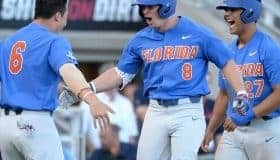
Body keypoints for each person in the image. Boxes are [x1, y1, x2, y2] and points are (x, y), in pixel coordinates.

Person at [60, 0, 248, 159]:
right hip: (156, 110)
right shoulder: (140, 39)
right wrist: (87, 88)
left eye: (149, 6)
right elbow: (120, 74)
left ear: (166, 5)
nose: (144, 11)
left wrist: (241, 92)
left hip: (187, 110)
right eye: (142, 7)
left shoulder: (199, 33)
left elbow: (228, 63)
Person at [0, 0, 113, 159]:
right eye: (66, 12)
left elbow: (24, 78)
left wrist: (58, 89)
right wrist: (92, 99)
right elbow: (68, 70)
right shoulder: (54, 40)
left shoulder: (8, 42)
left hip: (5, 125)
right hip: (35, 123)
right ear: (58, 16)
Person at [201, 0, 280, 160]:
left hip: (266, 130)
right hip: (234, 130)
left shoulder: (270, 47)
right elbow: (224, 94)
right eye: (226, 10)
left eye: (232, 9)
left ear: (250, 11)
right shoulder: (228, 51)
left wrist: (247, 114)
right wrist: (210, 129)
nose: (227, 14)